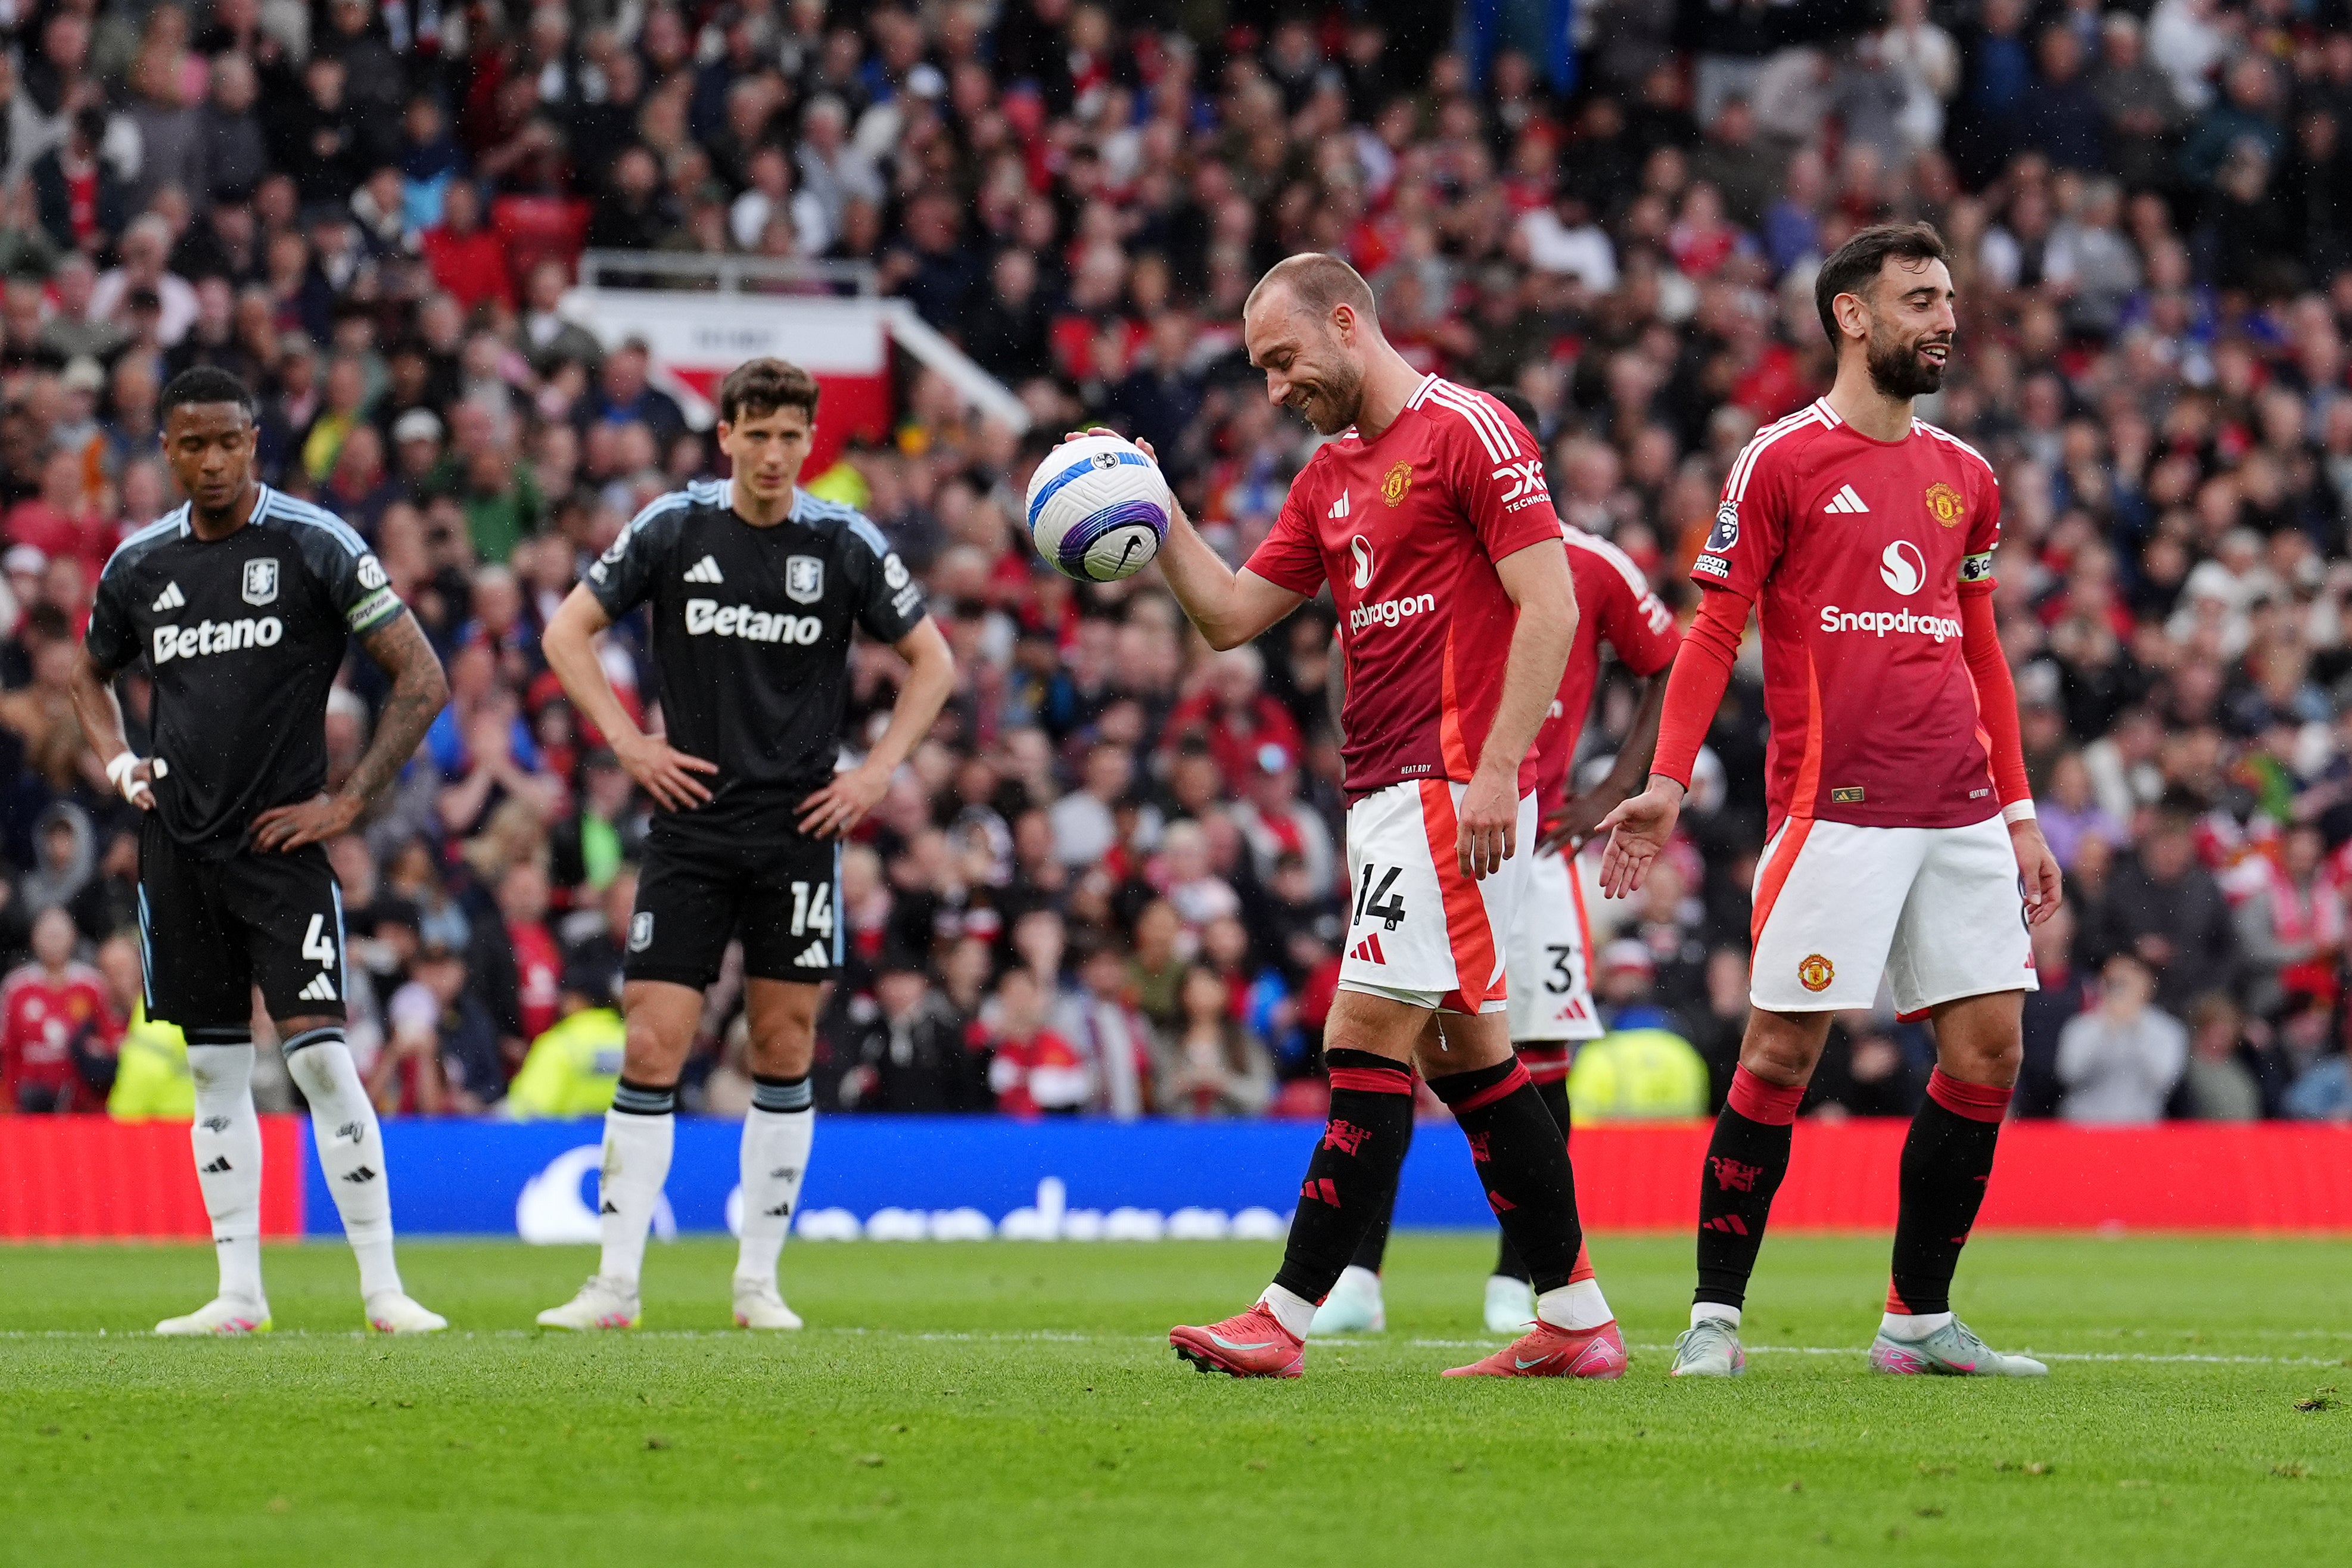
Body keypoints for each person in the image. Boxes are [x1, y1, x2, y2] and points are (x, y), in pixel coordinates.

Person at [1599, 223, 2060, 1380]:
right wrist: (1665, 780)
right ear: (1853, 316)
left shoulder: (1970, 479)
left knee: (1991, 1048)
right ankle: (1714, 1316)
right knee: (1779, 1054)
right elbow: (1714, 631)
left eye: (1949, 296)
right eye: (1919, 299)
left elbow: (1984, 652)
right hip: (1834, 808)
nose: (1945, 317)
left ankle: (1916, 1318)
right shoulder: (1780, 461)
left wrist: (2019, 812)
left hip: (1957, 807)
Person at [1149, 253, 1621, 1381]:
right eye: (1260, 370)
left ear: (1348, 322)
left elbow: (1548, 603)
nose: (1273, 389)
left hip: (1451, 788)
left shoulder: (1469, 429)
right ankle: (1576, 1317)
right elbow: (1225, 616)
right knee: (1470, 1059)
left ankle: (1286, 1313)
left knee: (1362, 1038)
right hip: (1380, 796)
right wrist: (1153, 504)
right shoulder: (1326, 480)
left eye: (1284, 359)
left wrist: (1502, 769)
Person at [534, 357, 954, 1333]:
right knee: (651, 1042)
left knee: (783, 1043)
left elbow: (932, 663)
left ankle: (756, 1283)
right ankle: (615, 1285)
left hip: (799, 832)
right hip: (689, 825)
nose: (771, 452)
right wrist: (629, 741)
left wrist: (878, 770)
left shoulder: (841, 542)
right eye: (753, 433)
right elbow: (568, 632)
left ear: (810, 442)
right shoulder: (675, 527)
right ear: (723, 435)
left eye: (787, 435)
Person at [68, 366, 453, 1336]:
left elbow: (421, 674)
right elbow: (88, 672)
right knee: (213, 1073)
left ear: (253, 441)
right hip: (178, 851)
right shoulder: (140, 564)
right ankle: (238, 1293)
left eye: (228, 441)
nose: (210, 460)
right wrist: (118, 762)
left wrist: (349, 801)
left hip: (281, 847)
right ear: (166, 449)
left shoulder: (313, 542)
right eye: (191, 443)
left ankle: (383, 1290)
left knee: (323, 1061)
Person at [1317, 385, 1684, 1337]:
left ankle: (1522, 1279)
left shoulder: (1589, 566)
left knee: (1527, 1054)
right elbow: (1342, 641)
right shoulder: (1422, 542)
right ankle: (1359, 1277)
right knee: (1408, 1038)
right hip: (1433, 811)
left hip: (1535, 837)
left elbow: (1670, 664)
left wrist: (1607, 792)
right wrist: (1361, 764)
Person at [0, 906, 116, 1112]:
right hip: (30, 1100)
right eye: (47, 935)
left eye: (59, 935)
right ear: (34, 938)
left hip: (81, 1102)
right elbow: (8, 1048)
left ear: (73, 937)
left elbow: (107, 1038)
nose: (53, 943)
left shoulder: (91, 985)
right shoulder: (16, 987)